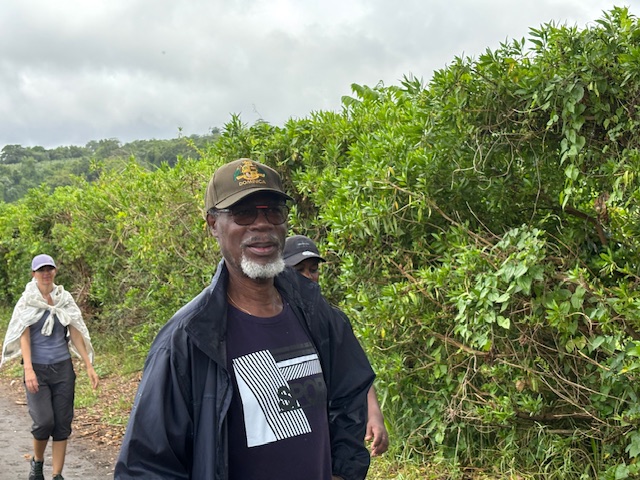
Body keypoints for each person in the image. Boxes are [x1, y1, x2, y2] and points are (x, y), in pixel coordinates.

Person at [115, 158, 375, 480]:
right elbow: (146, 467)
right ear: (213, 224)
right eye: (243, 213)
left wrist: (343, 472)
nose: (261, 224)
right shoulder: (188, 339)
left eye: (273, 211)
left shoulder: (314, 311)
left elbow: (350, 391)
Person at [283, 234, 390, 457]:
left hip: (331, 431)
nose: (308, 276)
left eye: (313, 269)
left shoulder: (334, 320)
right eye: (299, 270)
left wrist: (374, 415)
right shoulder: (270, 320)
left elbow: (354, 372)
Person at [1, 254, 99, 480]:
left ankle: (57, 475)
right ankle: (37, 462)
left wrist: (89, 365)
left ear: (54, 271)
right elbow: (24, 335)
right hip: (37, 369)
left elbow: (75, 332)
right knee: (44, 422)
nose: (46, 274)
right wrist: (28, 370)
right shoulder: (27, 300)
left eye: (49, 269)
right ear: (33, 274)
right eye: (41, 270)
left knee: (62, 424)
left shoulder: (64, 298)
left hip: (63, 369)